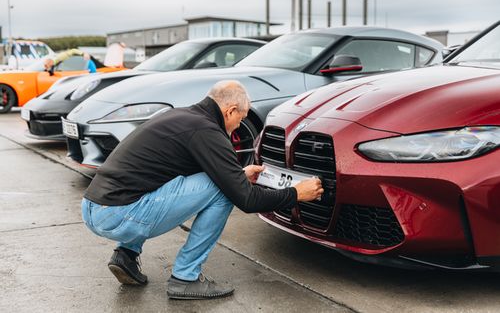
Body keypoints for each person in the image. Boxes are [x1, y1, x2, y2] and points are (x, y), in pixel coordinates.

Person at [81, 80, 324, 300]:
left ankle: (125, 256)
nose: (240, 124)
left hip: (94, 206)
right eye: (241, 118)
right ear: (230, 111)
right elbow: (247, 200)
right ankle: (185, 278)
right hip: (119, 215)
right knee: (222, 191)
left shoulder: (181, 116)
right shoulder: (207, 131)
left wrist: (238, 175)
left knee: (174, 179)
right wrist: (296, 194)